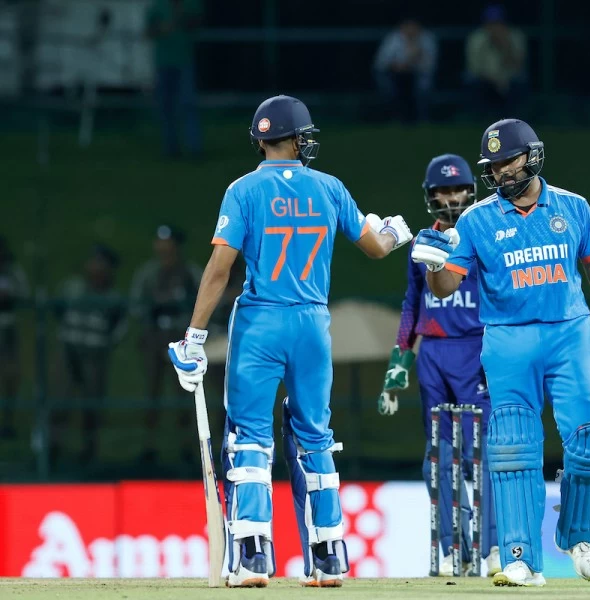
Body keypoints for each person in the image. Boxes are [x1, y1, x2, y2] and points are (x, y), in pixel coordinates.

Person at [166, 95, 412, 588]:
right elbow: (375, 247)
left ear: (259, 141)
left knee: (250, 437)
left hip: (260, 321)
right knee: (316, 437)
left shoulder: (242, 190)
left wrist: (194, 336)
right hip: (313, 323)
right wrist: (394, 232)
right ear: (298, 139)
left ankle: (253, 555)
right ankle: (329, 555)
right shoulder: (329, 187)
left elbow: (220, 268)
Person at [410, 118, 590, 587]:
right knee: (513, 448)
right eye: (493, 165)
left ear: (532, 156)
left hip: (569, 333)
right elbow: (445, 287)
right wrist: (433, 266)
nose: (501, 171)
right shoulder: (476, 220)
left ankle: (580, 538)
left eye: (508, 161)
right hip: (508, 340)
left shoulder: (573, 207)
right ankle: (521, 558)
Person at [378, 154, 500, 576]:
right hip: (433, 356)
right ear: (430, 196)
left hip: (476, 352)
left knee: (481, 456)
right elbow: (412, 306)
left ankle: (492, 548)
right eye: (442, 191)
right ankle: (451, 550)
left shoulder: (487, 235)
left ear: (472, 190)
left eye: (458, 189)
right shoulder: (421, 243)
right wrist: (397, 367)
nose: (451, 198)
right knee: (439, 457)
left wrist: (502, 355)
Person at [130, 225, 202, 463]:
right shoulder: (148, 274)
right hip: (154, 335)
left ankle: (187, 446)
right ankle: (148, 445)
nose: (164, 247)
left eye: (168, 242)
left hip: (180, 338)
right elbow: (136, 305)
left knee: (184, 393)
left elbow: (201, 303)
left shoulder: (190, 272)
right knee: (152, 394)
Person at [54, 244, 127, 462]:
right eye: (93, 262)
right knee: (59, 398)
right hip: (68, 350)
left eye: (101, 264)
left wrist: (104, 344)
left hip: (95, 355)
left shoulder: (114, 298)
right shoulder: (72, 287)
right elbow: (57, 310)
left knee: (92, 403)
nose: (96, 268)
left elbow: (120, 327)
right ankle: (52, 447)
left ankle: (89, 450)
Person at [145, 0, 203, 157]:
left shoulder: (190, 4)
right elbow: (148, 32)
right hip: (163, 62)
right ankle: (171, 149)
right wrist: (160, 29)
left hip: (184, 60)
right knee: (166, 106)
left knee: (188, 105)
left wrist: (182, 17)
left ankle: (194, 149)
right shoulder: (158, 5)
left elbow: (197, 24)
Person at [465, 4, 528, 116]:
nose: (494, 28)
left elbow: (517, 66)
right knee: (472, 81)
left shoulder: (515, 36)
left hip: (509, 79)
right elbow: (475, 68)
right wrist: (494, 80)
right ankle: (478, 118)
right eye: (491, 24)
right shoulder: (477, 38)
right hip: (485, 78)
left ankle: (516, 118)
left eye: (498, 23)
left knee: (519, 83)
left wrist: (506, 45)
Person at [372, 18, 437, 123]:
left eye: (414, 27)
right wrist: (399, 66)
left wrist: (409, 63)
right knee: (392, 86)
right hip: (394, 75)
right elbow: (382, 63)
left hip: (419, 74)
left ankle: (421, 118)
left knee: (422, 87)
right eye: (408, 26)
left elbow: (429, 64)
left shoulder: (427, 39)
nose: (411, 30)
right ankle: (395, 117)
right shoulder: (393, 38)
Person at [0, 236, 28, 439]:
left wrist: (10, 295)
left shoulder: (13, 271)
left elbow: (24, 293)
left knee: (10, 375)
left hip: (8, 327)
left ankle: (8, 422)